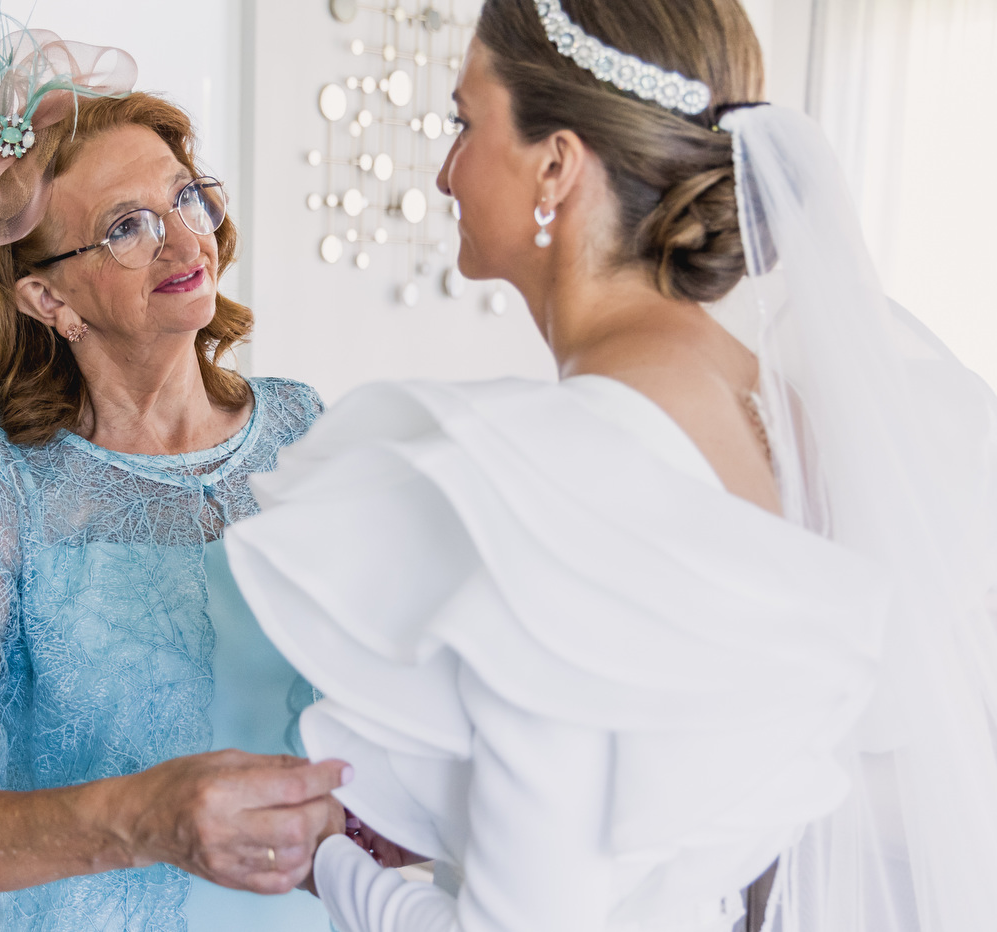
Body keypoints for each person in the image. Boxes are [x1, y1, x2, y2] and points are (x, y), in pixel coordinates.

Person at [225, 1, 997, 931]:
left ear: (556, 163)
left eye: (466, 123)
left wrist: (331, 864)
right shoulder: (813, 429)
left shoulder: (556, 477)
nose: (444, 172)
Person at [0, 23, 345, 932]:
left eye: (185, 200)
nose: (182, 243)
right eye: (126, 228)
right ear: (50, 300)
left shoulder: (301, 426)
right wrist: (146, 821)